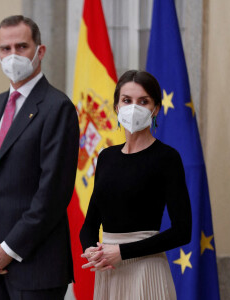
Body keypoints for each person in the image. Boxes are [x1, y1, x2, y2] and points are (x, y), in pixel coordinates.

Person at [0, 15, 79, 300]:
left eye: (22, 47)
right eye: (6, 49)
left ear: (40, 51)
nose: (13, 55)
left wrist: (8, 249)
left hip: (36, 268)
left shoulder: (58, 108)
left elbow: (52, 194)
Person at [80, 70, 192, 300]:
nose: (134, 107)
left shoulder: (167, 157)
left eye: (143, 101)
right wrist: (91, 250)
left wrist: (121, 252)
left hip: (146, 270)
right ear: (117, 107)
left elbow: (183, 231)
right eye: (127, 100)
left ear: (156, 109)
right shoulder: (106, 157)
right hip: (109, 271)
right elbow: (90, 223)